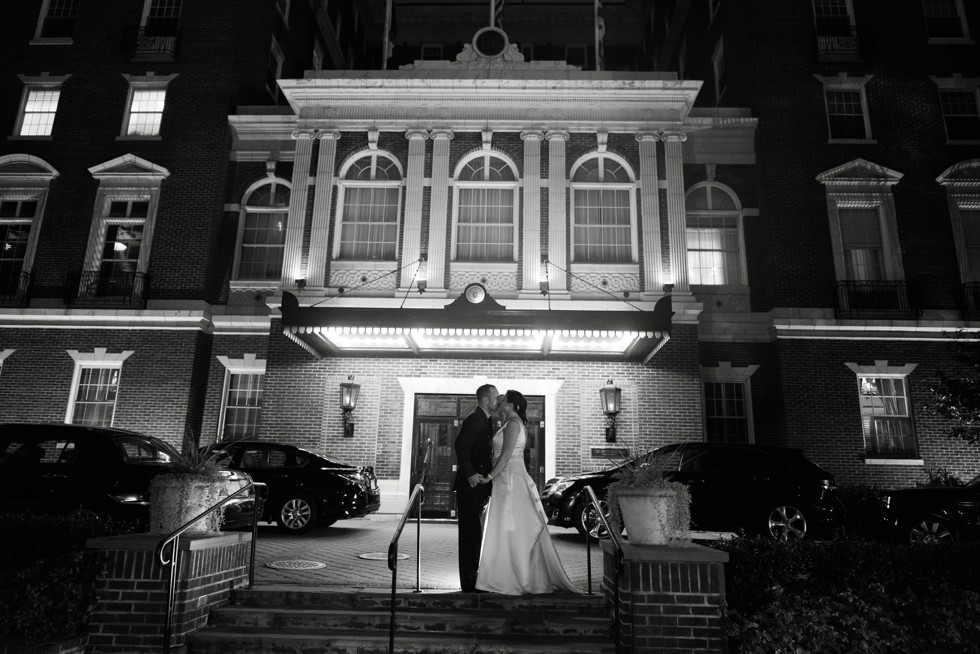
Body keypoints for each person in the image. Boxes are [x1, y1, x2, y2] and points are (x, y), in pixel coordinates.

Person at [475, 389, 581, 595]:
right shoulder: (509, 423)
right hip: (505, 479)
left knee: (514, 528)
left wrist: (488, 476)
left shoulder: (514, 424)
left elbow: (505, 457)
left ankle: (517, 577)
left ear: (513, 405)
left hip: (511, 479)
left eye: (504, 399)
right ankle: (505, 574)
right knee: (506, 528)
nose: (500, 401)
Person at [453, 383, 499, 593]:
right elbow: (461, 444)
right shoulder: (475, 419)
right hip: (470, 485)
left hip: (479, 485)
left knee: (475, 532)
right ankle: (470, 582)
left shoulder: (485, 420)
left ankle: (474, 578)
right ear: (485, 400)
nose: (498, 401)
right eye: (496, 398)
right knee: (470, 533)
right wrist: (470, 473)